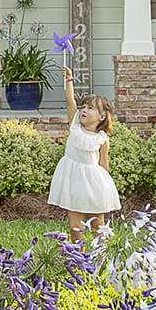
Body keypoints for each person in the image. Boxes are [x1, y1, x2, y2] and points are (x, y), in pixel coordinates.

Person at [47, 65, 121, 241]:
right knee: (75, 228)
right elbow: (70, 101)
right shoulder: (75, 125)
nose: (84, 110)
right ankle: (80, 259)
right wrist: (69, 79)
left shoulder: (102, 139)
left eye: (91, 108)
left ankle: (101, 257)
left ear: (102, 117)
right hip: (73, 181)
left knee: (97, 225)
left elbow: (103, 165)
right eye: (84, 106)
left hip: (93, 183)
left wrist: (105, 187)